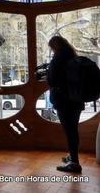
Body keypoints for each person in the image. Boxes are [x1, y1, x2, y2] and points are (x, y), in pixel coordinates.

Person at [47, 35, 84, 173]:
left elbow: (51, 80)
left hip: (64, 102)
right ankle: (72, 156)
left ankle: (75, 163)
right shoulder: (73, 56)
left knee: (69, 131)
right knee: (73, 130)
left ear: (54, 46)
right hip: (77, 100)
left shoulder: (58, 58)